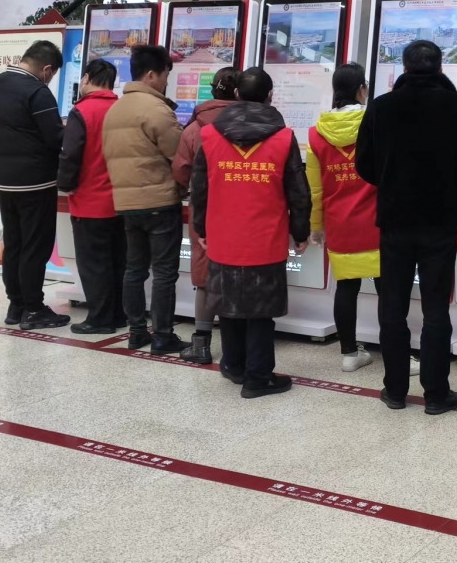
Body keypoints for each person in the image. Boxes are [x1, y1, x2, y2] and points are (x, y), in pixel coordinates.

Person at [357, 40, 457, 415]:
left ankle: (395, 390)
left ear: (404, 67)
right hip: (440, 222)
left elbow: (364, 164)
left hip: (395, 220)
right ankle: (436, 394)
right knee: (436, 309)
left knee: (393, 307)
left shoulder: (381, 107)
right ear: (439, 67)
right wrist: (455, 194)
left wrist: (391, 181)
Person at [190, 68, 310, 398]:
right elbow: (298, 191)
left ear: (237, 96)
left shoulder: (210, 135)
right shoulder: (283, 138)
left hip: (223, 236)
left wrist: (200, 227)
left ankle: (233, 365)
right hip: (265, 237)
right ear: (270, 96)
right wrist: (301, 231)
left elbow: (199, 187)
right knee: (261, 310)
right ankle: (258, 377)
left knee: (228, 303)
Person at [307, 64, 420, 376]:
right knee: (389, 292)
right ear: (362, 89)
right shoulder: (377, 122)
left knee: (346, 288)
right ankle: (402, 356)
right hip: (379, 221)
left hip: (340, 224)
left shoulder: (316, 134)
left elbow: (315, 189)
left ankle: (348, 354)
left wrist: (316, 226)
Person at [102, 45, 186, 355]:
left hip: (126, 203)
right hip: (159, 201)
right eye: (165, 75)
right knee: (164, 271)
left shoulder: (116, 109)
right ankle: (163, 336)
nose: (166, 82)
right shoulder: (156, 110)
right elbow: (178, 157)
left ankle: (137, 332)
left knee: (134, 269)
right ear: (151, 74)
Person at [0, 40, 70, 330]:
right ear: (46, 68)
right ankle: (34, 308)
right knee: (35, 244)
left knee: (15, 242)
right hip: (35, 180)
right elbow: (55, 138)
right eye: (52, 73)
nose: (50, 79)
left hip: (2, 179)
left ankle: (16, 305)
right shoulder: (37, 91)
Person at [172, 67, 238, 363]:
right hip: (242, 206)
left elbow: (181, 169)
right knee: (241, 271)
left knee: (205, 273)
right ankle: (237, 347)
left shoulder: (195, 127)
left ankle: (201, 344)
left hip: (205, 208)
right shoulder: (251, 122)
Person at [57, 59, 126, 335]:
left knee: (93, 263)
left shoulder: (81, 112)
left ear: (86, 78)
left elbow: (70, 153)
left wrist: (65, 184)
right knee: (117, 261)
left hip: (90, 201)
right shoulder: (122, 109)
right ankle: (118, 314)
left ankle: (99, 318)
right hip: (121, 200)